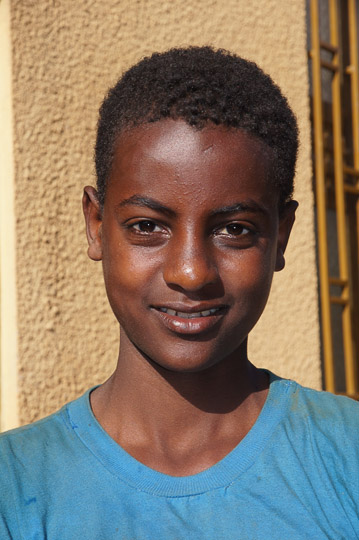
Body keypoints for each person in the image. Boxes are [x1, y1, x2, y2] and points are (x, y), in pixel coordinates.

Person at [0, 46, 358, 539]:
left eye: (234, 229)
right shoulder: (15, 487)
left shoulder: (346, 455)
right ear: (96, 224)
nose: (191, 272)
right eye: (148, 226)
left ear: (281, 235)